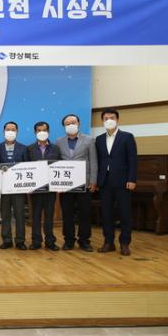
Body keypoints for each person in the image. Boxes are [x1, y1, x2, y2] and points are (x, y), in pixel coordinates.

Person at [95, 108, 137, 256]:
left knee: (125, 213)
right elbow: (98, 160)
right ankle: (108, 242)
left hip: (122, 181)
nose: (109, 120)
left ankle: (124, 243)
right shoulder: (99, 139)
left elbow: (132, 159)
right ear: (102, 121)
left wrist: (132, 179)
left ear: (117, 120)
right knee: (106, 214)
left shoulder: (127, 137)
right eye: (106, 118)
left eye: (112, 117)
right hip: (104, 182)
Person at [55, 114, 98, 252]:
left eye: (73, 122)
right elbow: (56, 163)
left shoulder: (89, 140)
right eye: (67, 123)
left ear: (78, 123)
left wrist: (93, 181)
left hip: (84, 183)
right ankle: (68, 240)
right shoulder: (59, 141)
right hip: (65, 184)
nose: (71, 125)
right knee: (67, 213)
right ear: (64, 126)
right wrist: (56, 184)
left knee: (85, 213)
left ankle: (84, 241)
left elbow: (93, 161)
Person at [26, 121, 61, 251]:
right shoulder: (29, 148)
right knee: (35, 216)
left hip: (50, 188)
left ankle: (50, 241)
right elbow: (26, 167)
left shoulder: (56, 148)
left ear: (48, 131)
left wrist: (59, 185)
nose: (42, 132)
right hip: (35, 189)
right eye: (39, 130)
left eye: (44, 130)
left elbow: (59, 166)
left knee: (49, 216)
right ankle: (36, 241)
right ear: (35, 132)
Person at [0, 121, 28, 251]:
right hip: (3, 188)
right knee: (5, 215)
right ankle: (7, 240)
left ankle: (20, 240)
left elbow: (27, 167)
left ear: (17, 131)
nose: (10, 132)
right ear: (4, 132)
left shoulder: (24, 148)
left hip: (18, 188)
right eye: (8, 129)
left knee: (20, 214)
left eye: (13, 129)